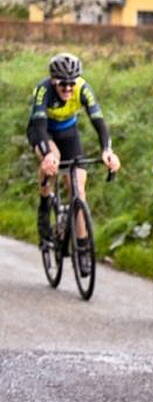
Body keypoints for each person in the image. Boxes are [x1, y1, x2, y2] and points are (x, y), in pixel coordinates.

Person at [27, 52, 121, 276]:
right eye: (63, 84)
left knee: (78, 186)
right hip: (43, 131)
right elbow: (39, 125)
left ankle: (82, 248)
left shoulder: (82, 88)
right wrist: (48, 154)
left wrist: (107, 150)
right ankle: (44, 203)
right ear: (53, 81)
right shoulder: (43, 90)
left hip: (68, 132)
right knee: (53, 160)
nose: (68, 88)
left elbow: (99, 122)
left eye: (72, 83)